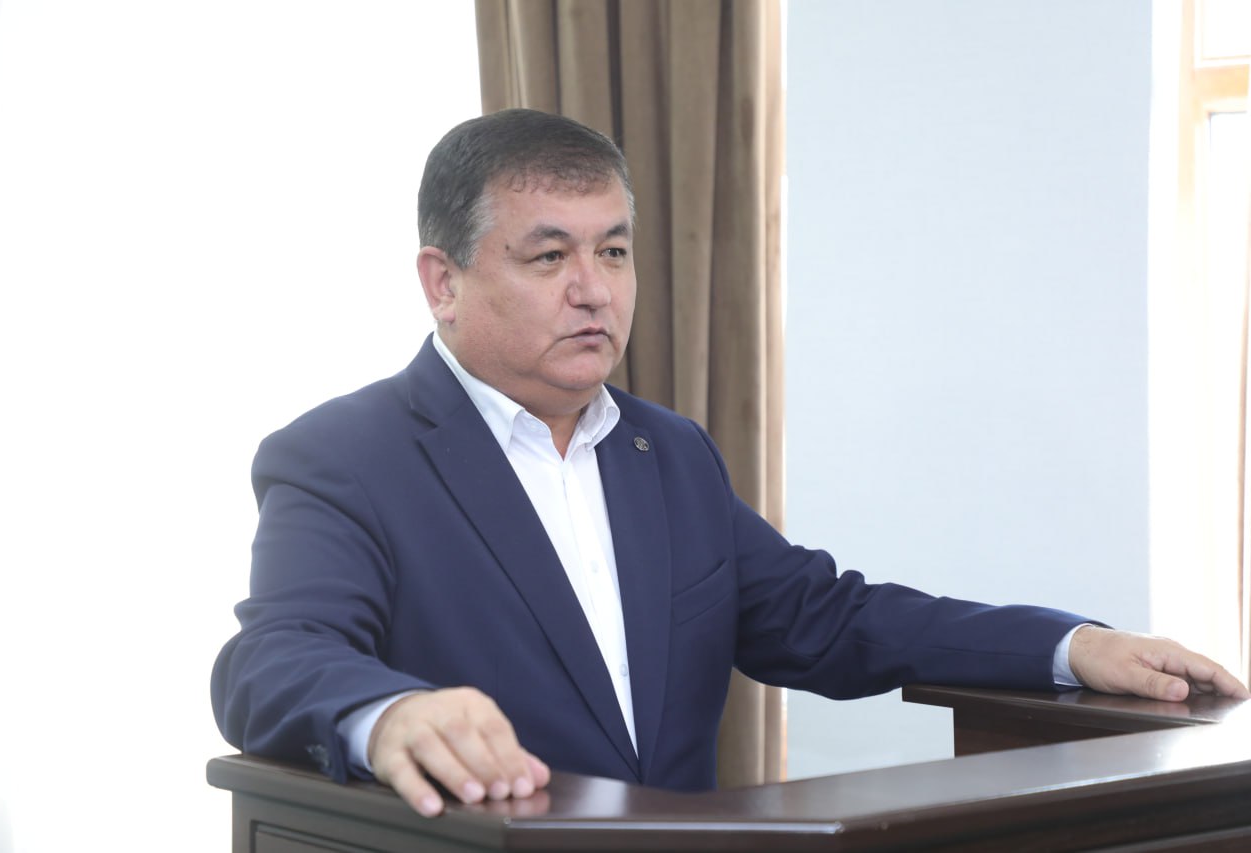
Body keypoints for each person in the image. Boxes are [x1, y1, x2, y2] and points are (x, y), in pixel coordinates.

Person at [211, 108, 1249, 819]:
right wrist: (388, 712)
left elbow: (827, 618)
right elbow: (271, 660)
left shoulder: (667, 452)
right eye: (549, 255)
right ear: (442, 282)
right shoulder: (345, 457)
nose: (594, 290)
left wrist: (1068, 646)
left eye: (614, 251)